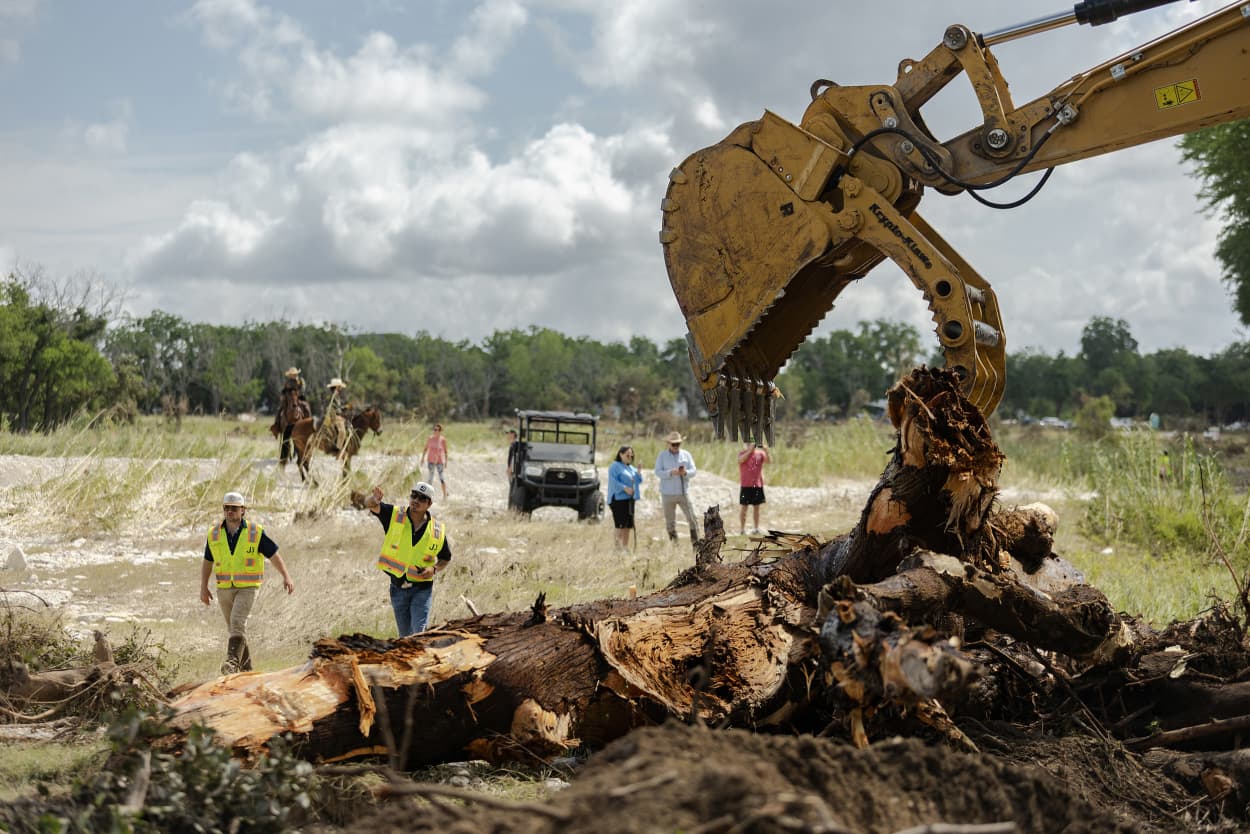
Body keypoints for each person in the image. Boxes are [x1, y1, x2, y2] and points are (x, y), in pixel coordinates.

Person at [199, 491, 295, 674]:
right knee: (235, 630)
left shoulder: (255, 532)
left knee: (237, 622)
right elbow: (207, 561)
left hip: (248, 588)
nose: (230, 512)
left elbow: (273, 555)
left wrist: (286, 576)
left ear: (243, 510)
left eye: (234, 509)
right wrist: (203, 587)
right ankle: (248, 672)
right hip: (224, 589)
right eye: (227, 508)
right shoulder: (214, 534)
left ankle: (232, 663)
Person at [364, 481, 452, 636]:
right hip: (398, 588)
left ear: (429, 504)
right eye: (414, 495)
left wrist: (434, 569)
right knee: (405, 638)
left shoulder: (437, 531)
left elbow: (445, 558)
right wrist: (374, 499)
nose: (416, 500)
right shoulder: (394, 515)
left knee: (419, 635)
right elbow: (369, 504)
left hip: (422, 590)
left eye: (422, 498)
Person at [655, 431, 700, 545]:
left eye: (678, 444)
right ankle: (675, 544)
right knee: (670, 522)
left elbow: (694, 471)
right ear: (668, 444)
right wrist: (670, 472)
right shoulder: (662, 456)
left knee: (692, 519)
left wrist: (685, 472)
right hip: (667, 493)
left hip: (683, 492)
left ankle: (696, 544)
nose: (675, 446)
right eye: (673, 444)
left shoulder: (686, 455)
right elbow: (658, 472)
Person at [272, 367, 311, 468]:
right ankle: (277, 425)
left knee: (306, 406)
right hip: (289, 399)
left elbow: (303, 390)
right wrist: (285, 395)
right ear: (290, 375)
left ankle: (309, 423)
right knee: (280, 409)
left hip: (299, 398)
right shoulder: (288, 382)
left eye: (295, 374)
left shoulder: (301, 381)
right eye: (292, 374)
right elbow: (283, 391)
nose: (294, 376)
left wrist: (297, 395)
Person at [608, 445, 644, 551]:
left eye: (631, 454)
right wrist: (624, 488)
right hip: (618, 499)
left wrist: (638, 472)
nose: (630, 456)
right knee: (620, 524)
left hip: (629, 500)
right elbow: (613, 481)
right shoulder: (615, 466)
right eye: (627, 454)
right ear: (621, 454)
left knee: (628, 525)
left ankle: (625, 547)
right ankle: (617, 548)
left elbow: (638, 481)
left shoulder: (630, 467)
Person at [737, 441, 771, 535]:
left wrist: (766, 450)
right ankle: (742, 529)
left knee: (757, 508)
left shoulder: (760, 454)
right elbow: (740, 460)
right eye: (748, 443)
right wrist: (749, 451)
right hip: (745, 485)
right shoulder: (742, 453)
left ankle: (756, 528)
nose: (749, 445)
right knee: (744, 508)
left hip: (757, 485)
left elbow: (769, 461)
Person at [322, 377, 350, 456]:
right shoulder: (333, 395)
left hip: (337, 414)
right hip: (334, 416)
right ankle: (338, 449)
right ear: (337, 387)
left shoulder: (336, 395)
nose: (341, 388)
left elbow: (337, 407)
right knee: (342, 431)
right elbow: (332, 407)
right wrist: (343, 408)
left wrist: (344, 407)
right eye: (340, 386)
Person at [421, 423, 450, 498]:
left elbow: (445, 451)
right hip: (430, 461)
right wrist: (422, 458)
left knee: (442, 478)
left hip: (439, 462)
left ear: (440, 431)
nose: (435, 431)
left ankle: (444, 495)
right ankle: (428, 496)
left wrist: (446, 462)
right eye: (434, 429)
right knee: (430, 478)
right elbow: (425, 448)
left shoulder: (442, 439)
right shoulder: (430, 438)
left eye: (437, 430)